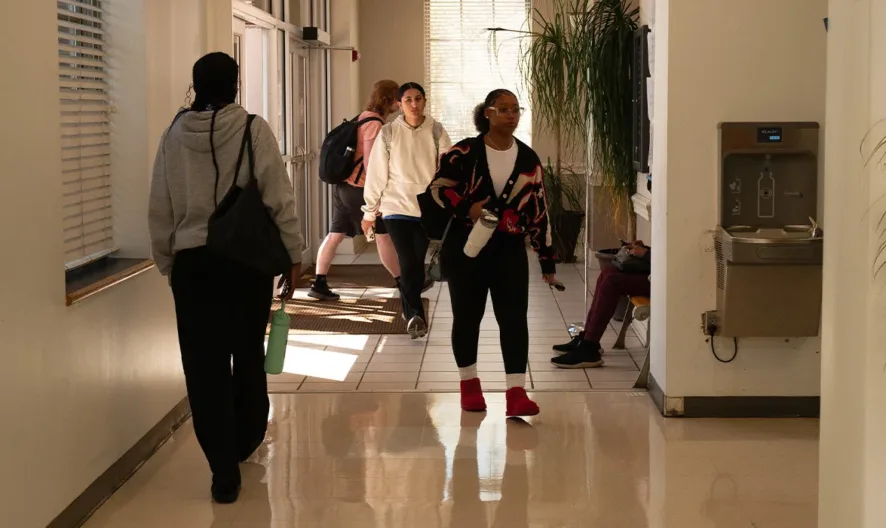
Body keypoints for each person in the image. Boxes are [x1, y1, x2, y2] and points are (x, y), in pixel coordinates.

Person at [148, 52, 304, 504]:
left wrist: (168, 261)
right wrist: (293, 254)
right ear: (235, 84)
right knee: (246, 354)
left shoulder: (173, 135)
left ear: (195, 86)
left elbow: (161, 203)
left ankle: (222, 469)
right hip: (246, 263)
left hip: (194, 266)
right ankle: (246, 440)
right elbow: (279, 195)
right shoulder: (254, 128)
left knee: (203, 366)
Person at [425, 89, 557, 417]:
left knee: (513, 319)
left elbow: (539, 210)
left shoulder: (528, 159)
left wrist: (546, 257)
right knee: (467, 318)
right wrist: (468, 209)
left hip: (509, 250)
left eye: (516, 109)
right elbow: (437, 190)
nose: (511, 115)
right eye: (504, 109)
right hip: (465, 249)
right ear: (488, 113)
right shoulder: (464, 152)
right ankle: (469, 385)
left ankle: (516, 391)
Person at [363, 82, 452, 339]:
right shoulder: (389, 132)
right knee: (408, 260)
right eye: (408, 99)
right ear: (399, 104)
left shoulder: (436, 130)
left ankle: (410, 308)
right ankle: (415, 314)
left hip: (425, 208)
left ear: (425, 101)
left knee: (416, 260)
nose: (414, 104)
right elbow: (377, 173)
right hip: (395, 206)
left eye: (418, 98)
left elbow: (448, 168)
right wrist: (370, 211)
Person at [309, 80, 402, 301]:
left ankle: (319, 283)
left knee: (335, 234)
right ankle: (404, 282)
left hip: (344, 187)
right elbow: (371, 164)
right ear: (389, 99)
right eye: (397, 98)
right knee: (384, 236)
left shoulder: (363, 116)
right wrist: (377, 195)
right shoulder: (374, 124)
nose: (400, 103)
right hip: (359, 190)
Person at [551, 241, 651, 368]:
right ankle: (587, 337)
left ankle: (589, 347)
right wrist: (643, 250)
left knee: (611, 282)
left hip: (664, 281)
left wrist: (646, 253)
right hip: (655, 273)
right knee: (607, 272)